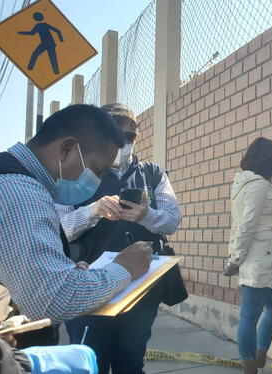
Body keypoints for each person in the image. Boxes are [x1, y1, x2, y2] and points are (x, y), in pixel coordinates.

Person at [55, 103, 186, 374]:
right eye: (117, 135)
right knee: (92, 361)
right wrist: (92, 211)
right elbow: (58, 230)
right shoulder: (74, 176)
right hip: (89, 285)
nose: (123, 143)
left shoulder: (154, 173)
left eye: (130, 137)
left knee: (131, 360)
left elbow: (172, 220)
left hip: (140, 288)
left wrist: (147, 216)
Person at [0, 104, 152, 328]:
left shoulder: (13, 179)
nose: (96, 182)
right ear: (67, 149)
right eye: (97, 170)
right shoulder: (21, 193)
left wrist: (65, 273)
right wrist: (124, 268)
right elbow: (53, 300)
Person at [222, 137, 272, 374]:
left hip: (263, 259)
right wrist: (234, 260)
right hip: (259, 260)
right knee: (250, 315)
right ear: (269, 161)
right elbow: (246, 225)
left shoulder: (247, 184)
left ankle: (258, 358)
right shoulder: (257, 186)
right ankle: (251, 366)